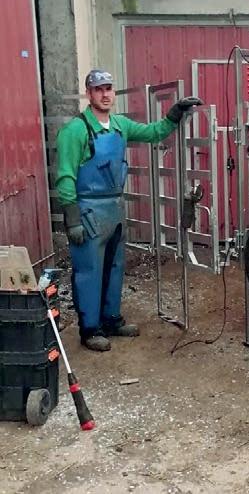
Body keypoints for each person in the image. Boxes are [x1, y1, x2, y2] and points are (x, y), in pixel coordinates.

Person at [56, 69, 202, 351]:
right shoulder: (75, 131)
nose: (105, 94)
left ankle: (111, 320)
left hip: (114, 208)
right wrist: (72, 218)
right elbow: (65, 176)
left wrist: (175, 114)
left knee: (114, 267)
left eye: (109, 88)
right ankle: (90, 330)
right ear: (89, 93)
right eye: (99, 89)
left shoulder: (120, 125)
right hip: (88, 210)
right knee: (89, 271)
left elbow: (154, 132)